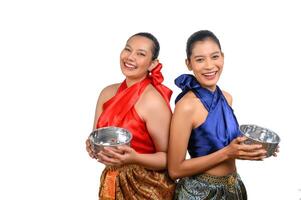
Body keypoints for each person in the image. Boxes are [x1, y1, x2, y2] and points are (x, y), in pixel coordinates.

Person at [168, 30, 276, 200]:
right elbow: (175, 170)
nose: (209, 65)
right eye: (200, 59)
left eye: (215, 56)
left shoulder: (227, 97)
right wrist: (228, 153)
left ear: (223, 57)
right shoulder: (186, 106)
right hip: (199, 193)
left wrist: (256, 148)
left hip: (233, 188)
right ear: (188, 63)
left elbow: (225, 144)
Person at [86, 32, 175, 200]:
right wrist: (92, 146)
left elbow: (169, 158)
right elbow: (97, 136)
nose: (130, 57)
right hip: (111, 181)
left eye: (141, 54)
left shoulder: (153, 102)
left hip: (147, 186)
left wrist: (135, 158)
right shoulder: (106, 93)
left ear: (152, 64)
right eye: (128, 49)